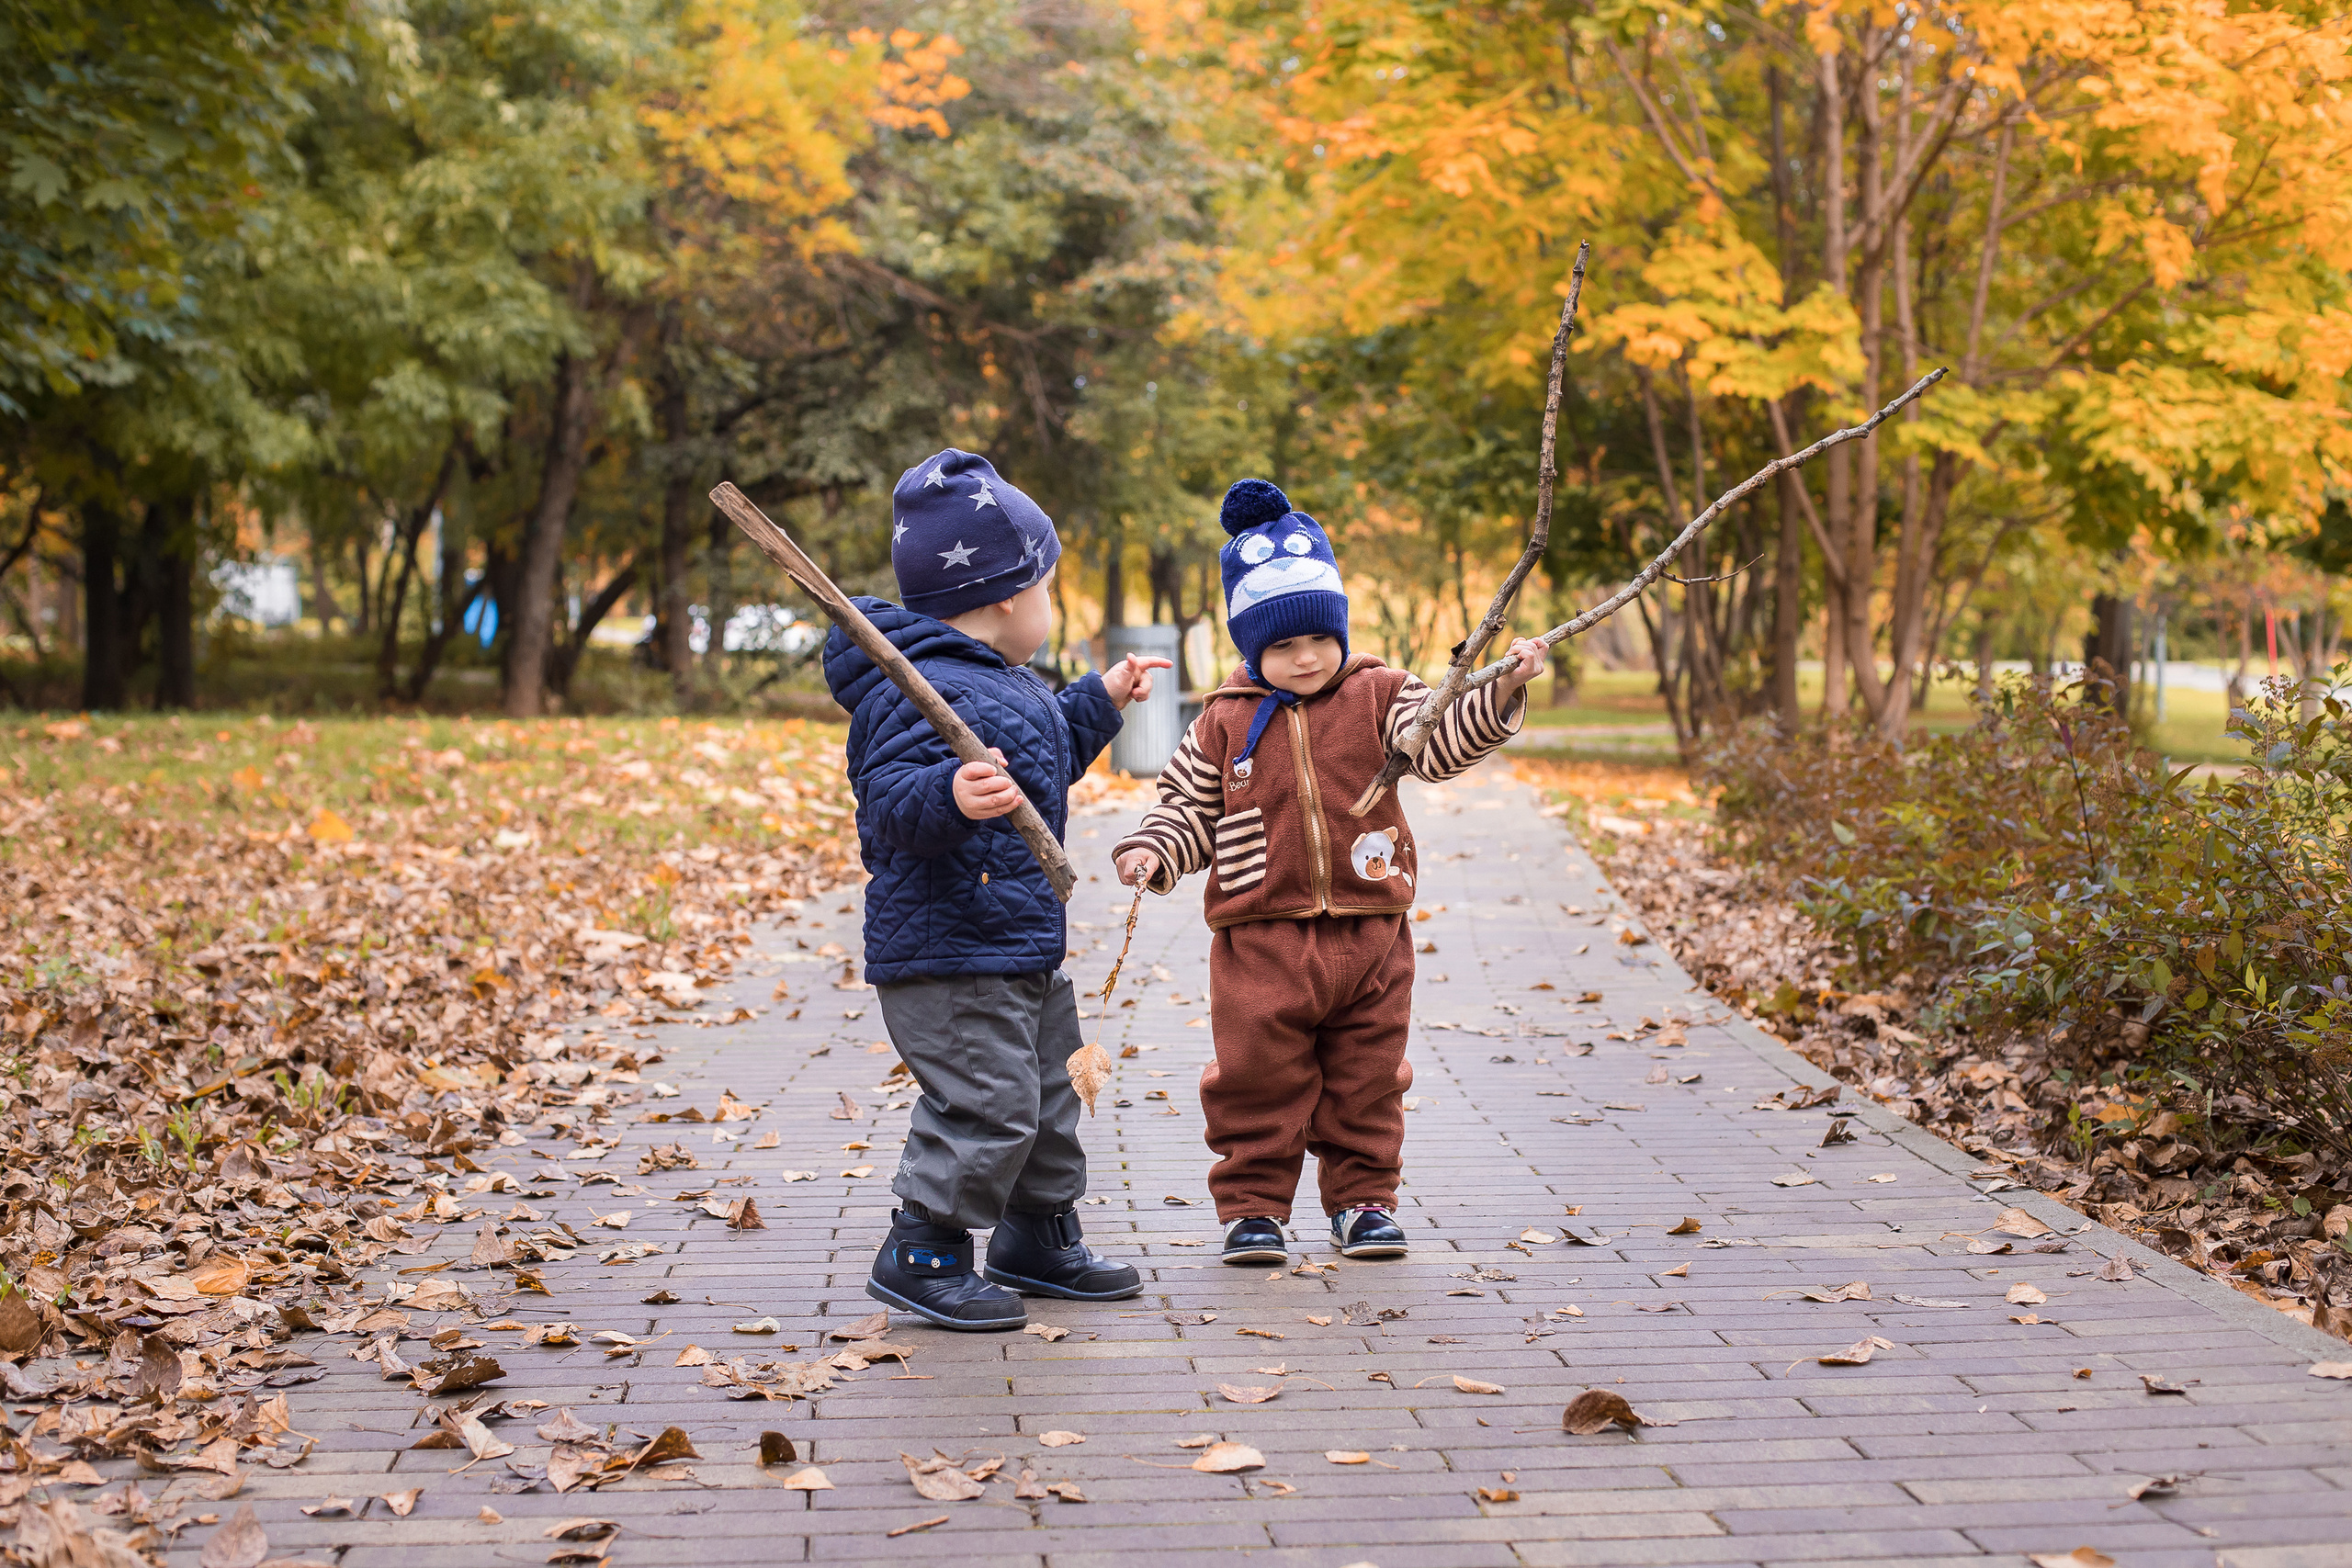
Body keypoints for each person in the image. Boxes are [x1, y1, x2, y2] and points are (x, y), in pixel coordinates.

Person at [1112, 479, 1546, 1264]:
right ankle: (1253, 1210)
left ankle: (1364, 1200)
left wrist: (1505, 684)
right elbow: (1187, 805)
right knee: (1255, 1077)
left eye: (1318, 638)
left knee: (1369, 1075)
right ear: (1254, 648)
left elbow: (1439, 738)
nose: (1305, 657)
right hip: (1261, 938)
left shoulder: (1380, 695)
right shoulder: (1223, 718)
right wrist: (1154, 851)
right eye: (1282, 646)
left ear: (1339, 627)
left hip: (1372, 932)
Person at [823, 447, 1172, 1330]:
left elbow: (1049, 744)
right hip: (950, 950)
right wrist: (949, 794)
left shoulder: (1003, 685)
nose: (1051, 605)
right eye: (1049, 587)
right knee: (989, 1103)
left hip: (1016, 942)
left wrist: (1100, 698)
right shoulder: (916, 688)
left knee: (1049, 1096)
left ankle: (1037, 1237)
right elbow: (890, 808)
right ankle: (924, 1249)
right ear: (1009, 595)